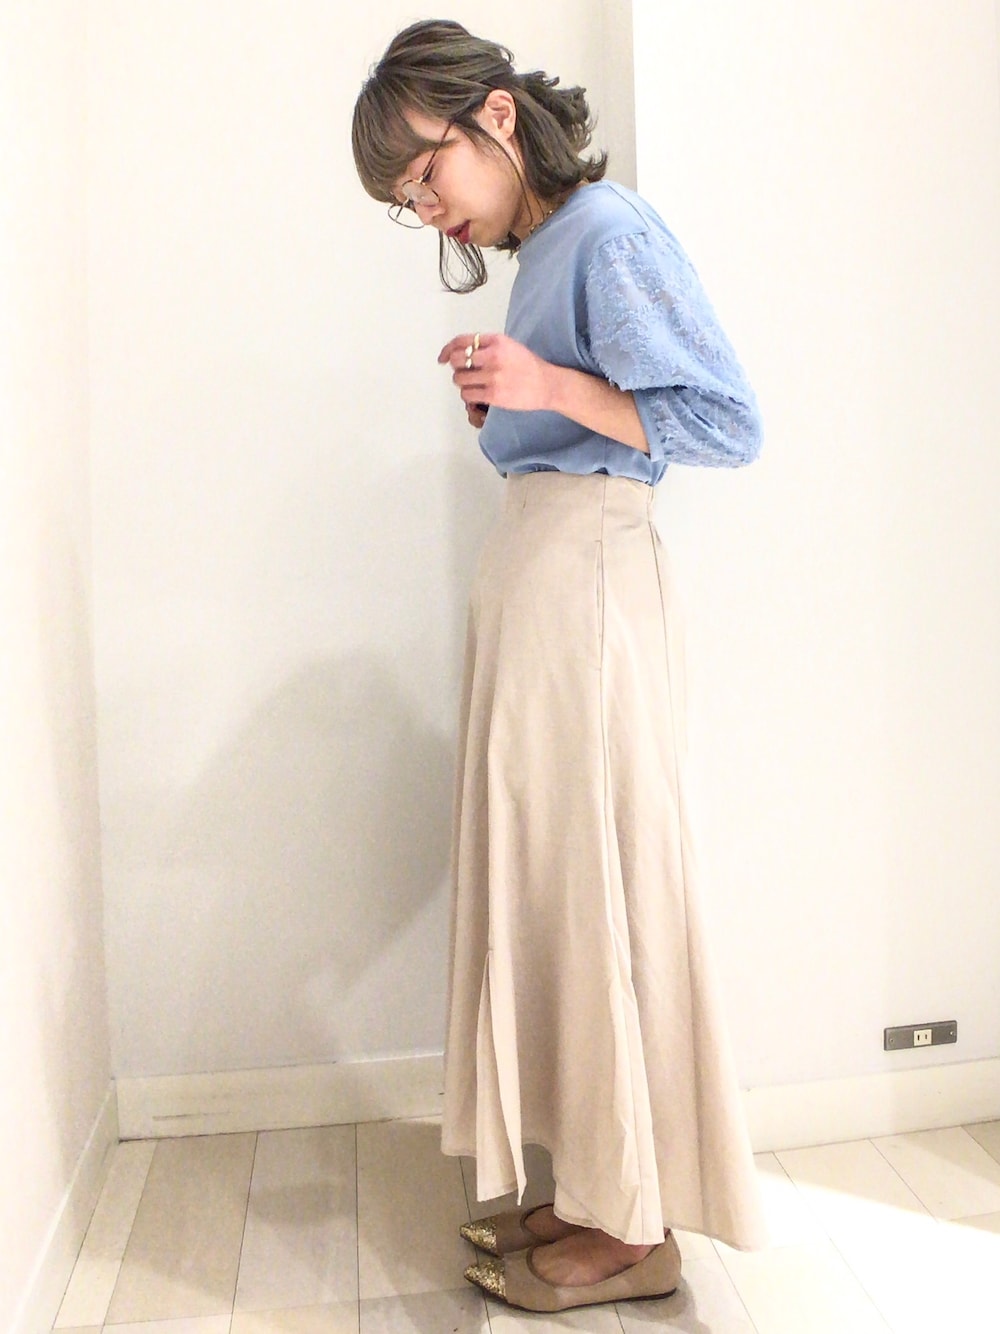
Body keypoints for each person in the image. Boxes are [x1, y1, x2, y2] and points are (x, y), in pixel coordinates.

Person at [352, 18, 767, 1314]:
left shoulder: (607, 232)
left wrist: (547, 387)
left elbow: (723, 422)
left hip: (588, 587)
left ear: (492, 116)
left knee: (601, 891)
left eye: (424, 174)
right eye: (404, 200)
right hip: (542, 588)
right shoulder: (546, 254)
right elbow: (590, 409)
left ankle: (637, 1231)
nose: (427, 212)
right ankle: (597, 1178)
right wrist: (511, 404)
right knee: (556, 890)